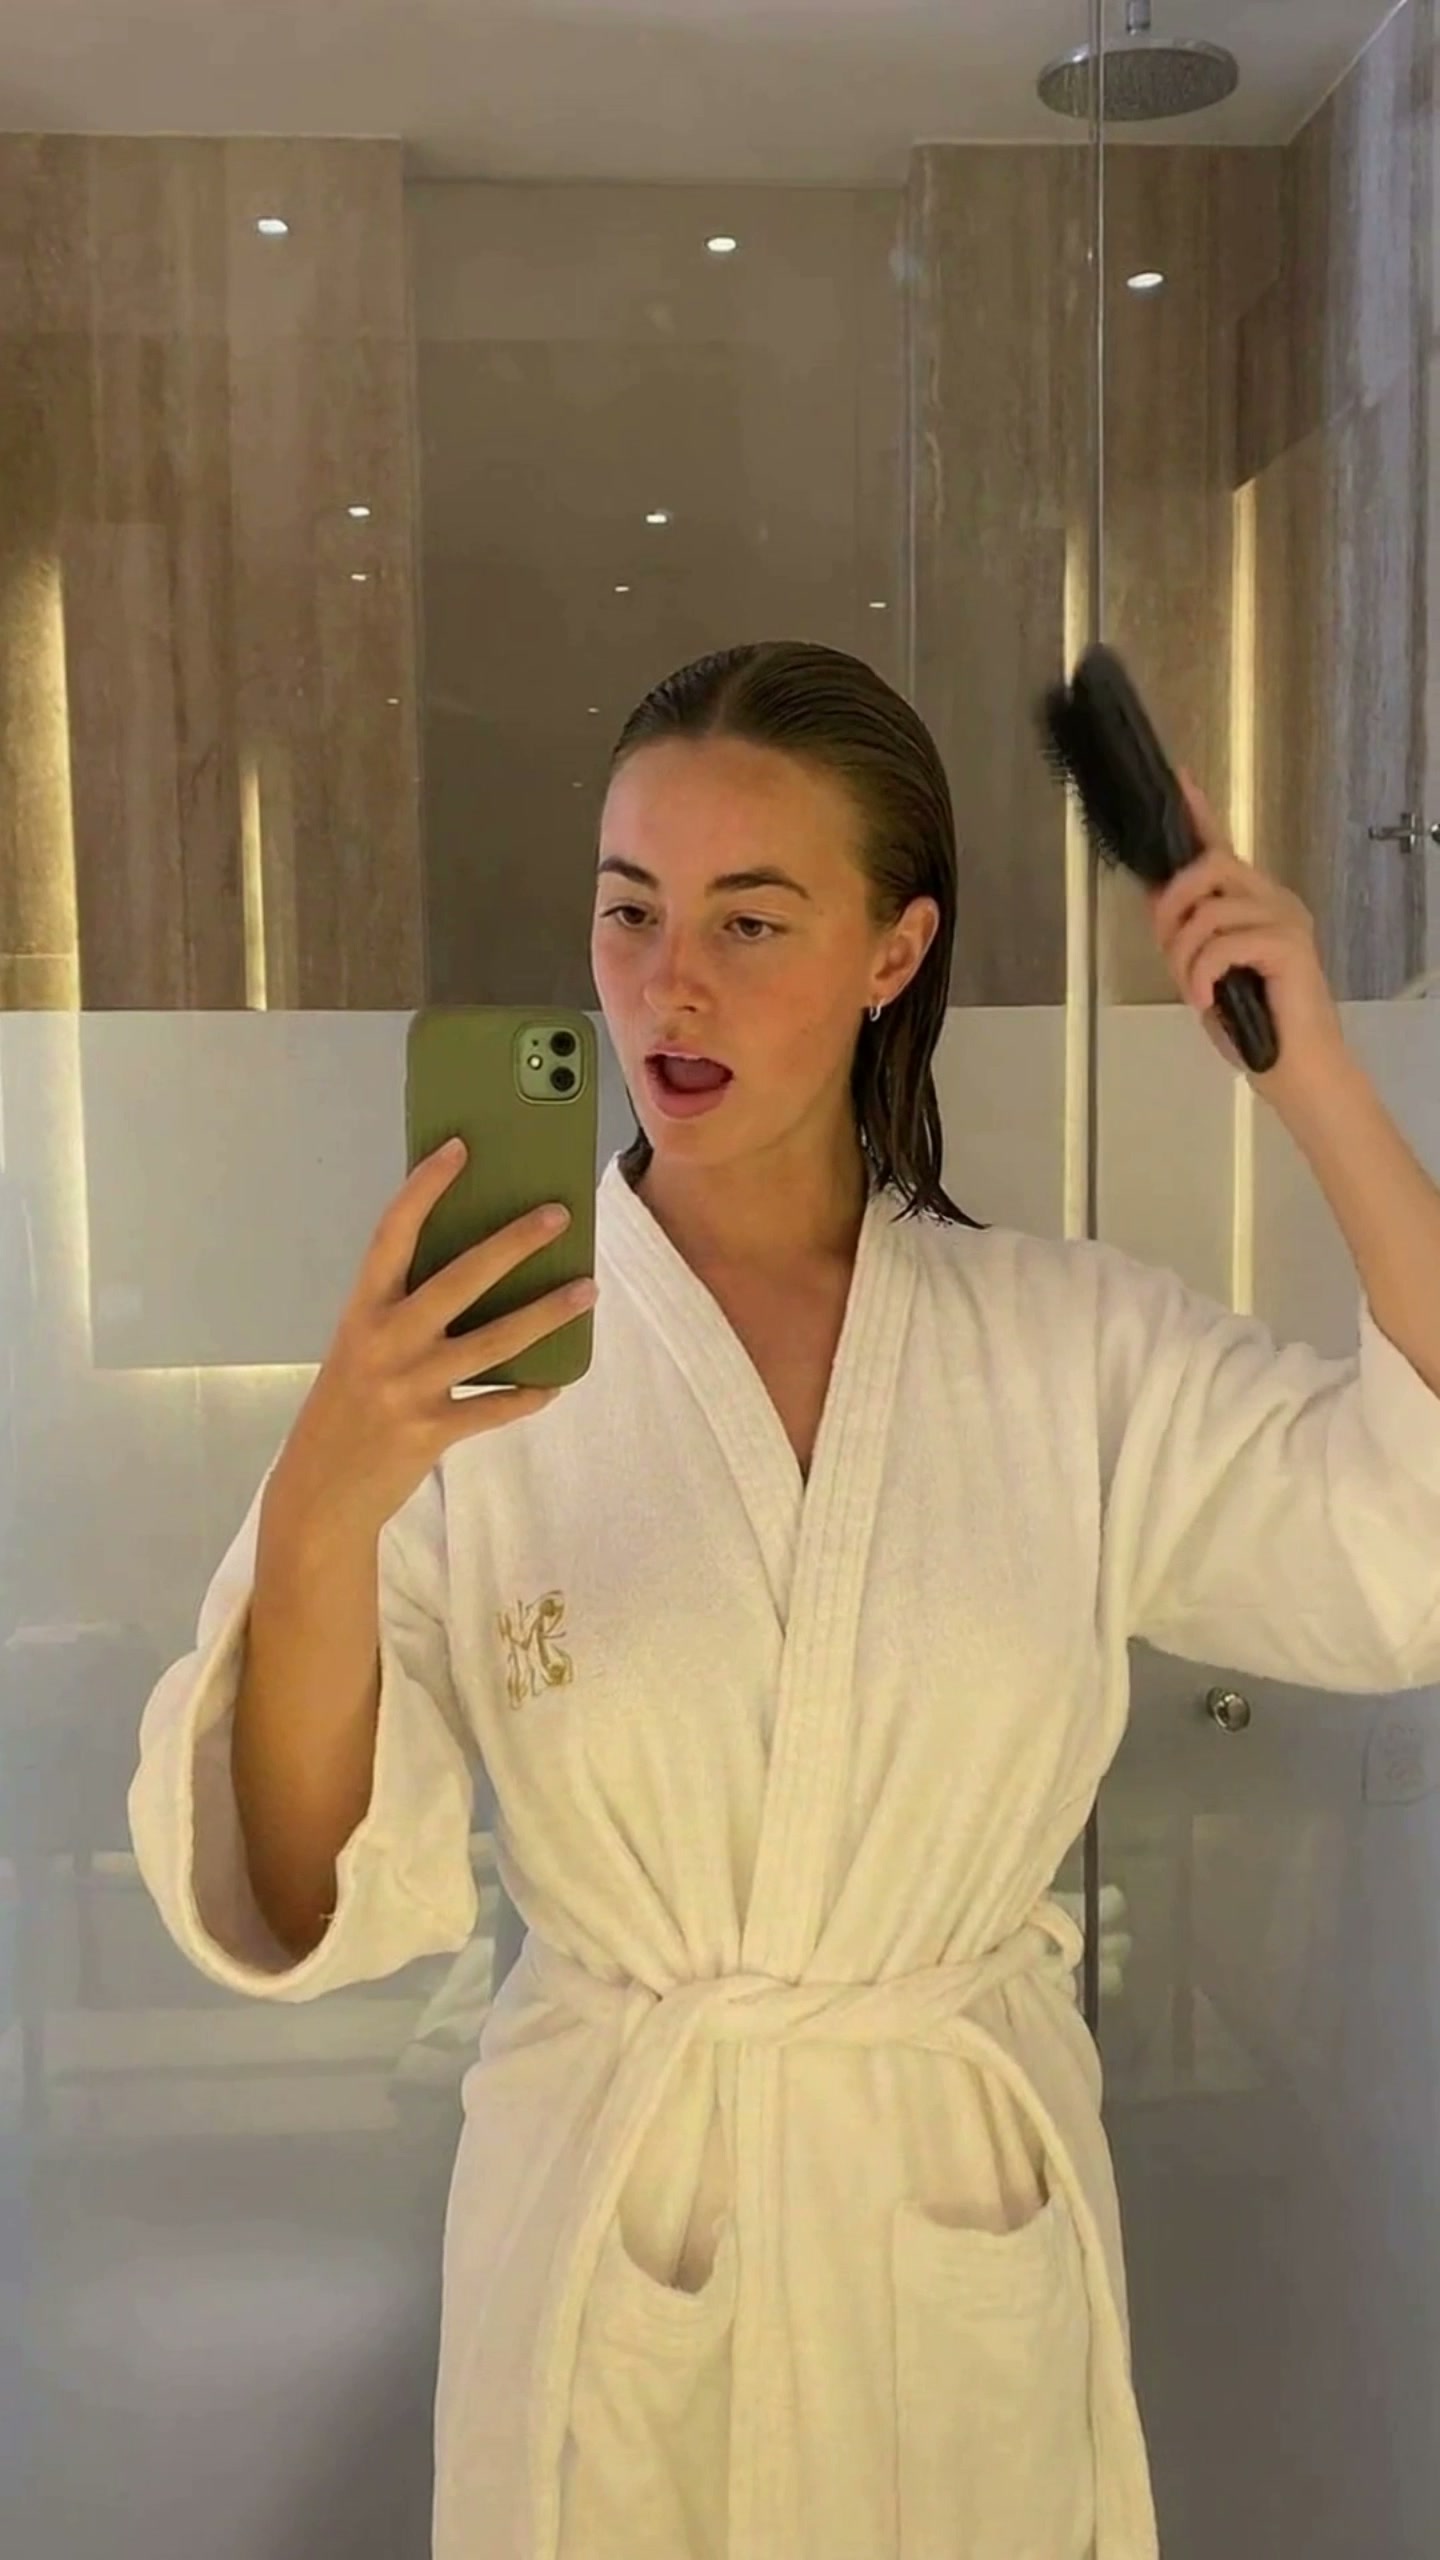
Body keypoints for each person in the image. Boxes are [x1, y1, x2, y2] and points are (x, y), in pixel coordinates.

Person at [128, 642, 1440, 2560]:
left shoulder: (1064, 1351)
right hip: (612, 2229)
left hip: (955, 2225)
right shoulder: (463, 1370)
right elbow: (305, 1877)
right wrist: (327, 1492)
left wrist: (1311, 1076)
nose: (671, 983)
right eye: (630, 910)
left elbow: (1406, 1552)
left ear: (895, 953)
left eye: (751, 921)